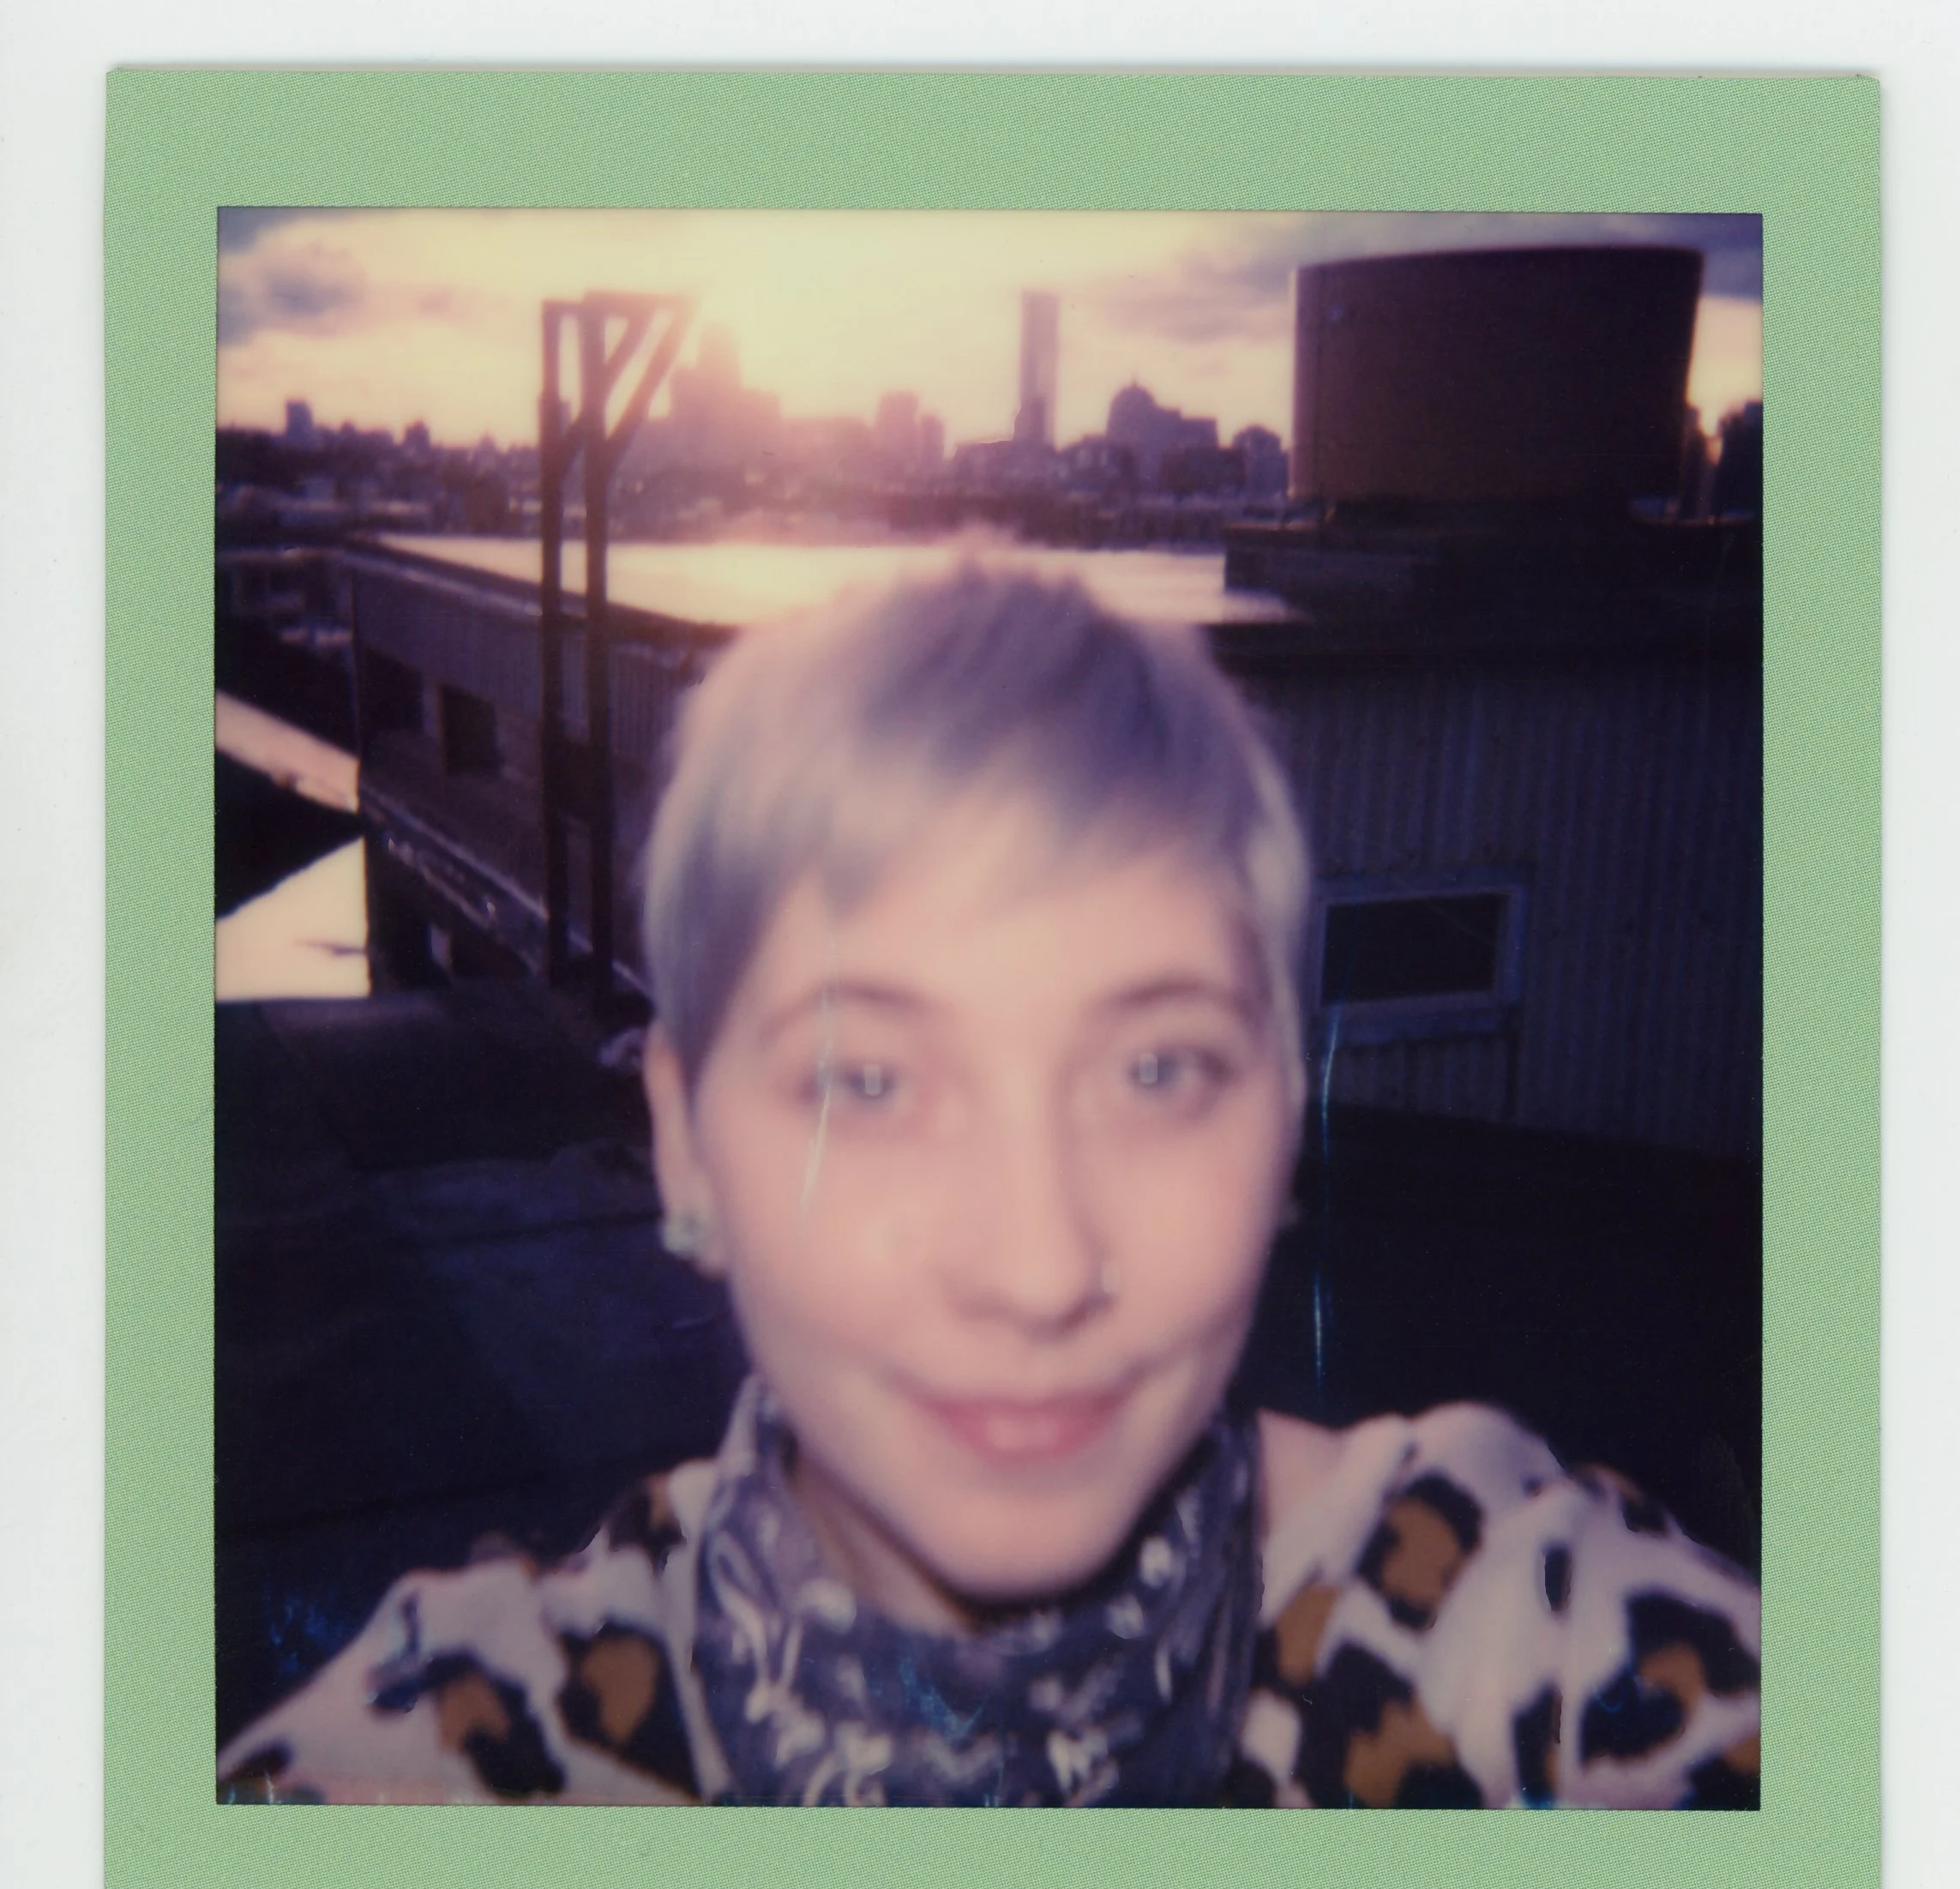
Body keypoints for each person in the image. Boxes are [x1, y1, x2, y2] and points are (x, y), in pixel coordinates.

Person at [218, 564, 1761, 1809]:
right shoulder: (465, 1750)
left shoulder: (1520, 1627)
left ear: (1285, 1124)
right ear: (685, 1144)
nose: (1034, 1264)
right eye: (869, 1081)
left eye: (1155, 1073)